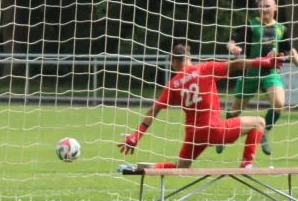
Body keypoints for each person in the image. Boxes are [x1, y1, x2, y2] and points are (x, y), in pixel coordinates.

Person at [117, 44, 285, 171]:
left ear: (175, 61)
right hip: (214, 129)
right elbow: (235, 65)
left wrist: (136, 136)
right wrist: (263, 61)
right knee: (259, 122)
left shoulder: (172, 84)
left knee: (180, 168)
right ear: (189, 57)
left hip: (194, 136)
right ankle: (247, 166)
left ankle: (138, 169)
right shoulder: (204, 69)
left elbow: (153, 110)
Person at [217, 0, 298, 156]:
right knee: (234, 112)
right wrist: (233, 48)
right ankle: (222, 135)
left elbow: (290, 50)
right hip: (250, 72)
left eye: (267, 6)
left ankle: (264, 132)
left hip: (271, 73)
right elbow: (231, 41)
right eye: (260, 7)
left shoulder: (281, 29)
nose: (263, 10)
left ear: (275, 7)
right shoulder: (250, 25)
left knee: (279, 103)